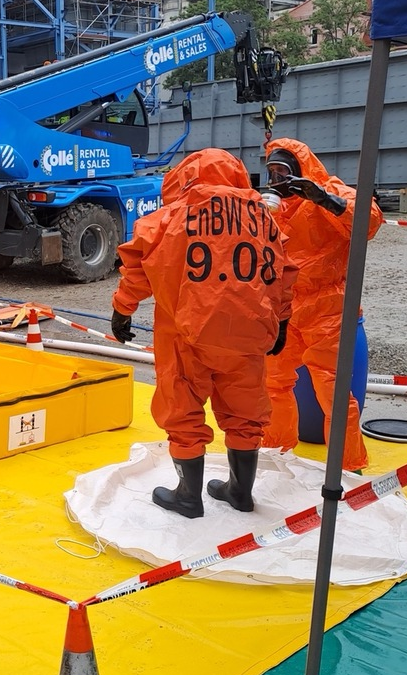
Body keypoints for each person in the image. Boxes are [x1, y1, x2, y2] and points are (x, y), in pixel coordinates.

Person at [110, 148, 296, 517]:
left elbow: (137, 267)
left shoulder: (167, 219)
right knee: (245, 413)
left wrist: (122, 310)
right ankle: (240, 493)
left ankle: (188, 495)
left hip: (184, 333)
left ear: (186, 175)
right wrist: (283, 324)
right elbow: (284, 274)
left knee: (182, 409)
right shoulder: (266, 219)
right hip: (247, 334)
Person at [261, 138, 383, 473]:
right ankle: (274, 453)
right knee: (272, 383)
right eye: (272, 171)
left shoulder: (331, 191)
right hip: (285, 308)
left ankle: (347, 467)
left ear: (299, 169)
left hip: (328, 309)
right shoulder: (274, 206)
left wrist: (324, 200)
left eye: (283, 171)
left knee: (333, 390)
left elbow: (370, 222)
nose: (277, 179)